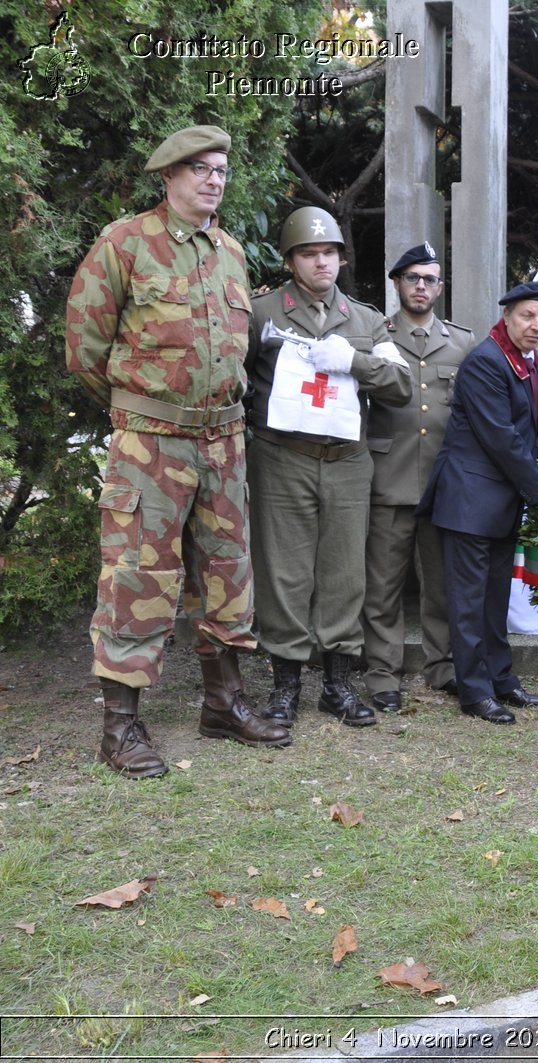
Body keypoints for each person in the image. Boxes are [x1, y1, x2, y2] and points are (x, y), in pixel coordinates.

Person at [64, 124, 289, 778]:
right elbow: (85, 349)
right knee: (138, 575)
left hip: (223, 440)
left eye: (220, 169)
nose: (214, 179)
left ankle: (224, 702)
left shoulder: (230, 252)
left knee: (229, 574)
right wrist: (146, 408)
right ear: (169, 177)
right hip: (151, 445)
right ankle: (121, 726)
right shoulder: (125, 245)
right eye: (199, 170)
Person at [246, 207, 413, 729]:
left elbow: (402, 385)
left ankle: (338, 685)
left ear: (341, 257)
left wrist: (355, 361)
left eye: (329, 253)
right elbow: (236, 377)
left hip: (347, 461)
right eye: (309, 253)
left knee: (344, 572)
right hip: (282, 457)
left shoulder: (365, 320)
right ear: (291, 260)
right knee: (285, 572)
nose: (321, 262)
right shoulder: (262, 313)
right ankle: (286, 686)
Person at [417, 279, 538, 724]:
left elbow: (536, 438)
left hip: (504, 503)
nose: (536, 325)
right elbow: (500, 439)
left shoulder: (534, 367)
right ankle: (475, 692)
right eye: (528, 316)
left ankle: (501, 679)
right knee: (467, 602)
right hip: (469, 501)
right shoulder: (486, 362)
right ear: (507, 317)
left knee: (494, 599)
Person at [359, 243, 474, 711]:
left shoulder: (463, 342)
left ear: (440, 287)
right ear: (397, 284)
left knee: (441, 583)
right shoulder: (374, 337)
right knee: (382, 585)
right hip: (388, 477)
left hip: (443, 484)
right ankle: (382, 672)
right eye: (412, 278)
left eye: (430, 279)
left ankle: (442, 666)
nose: (421, 287)